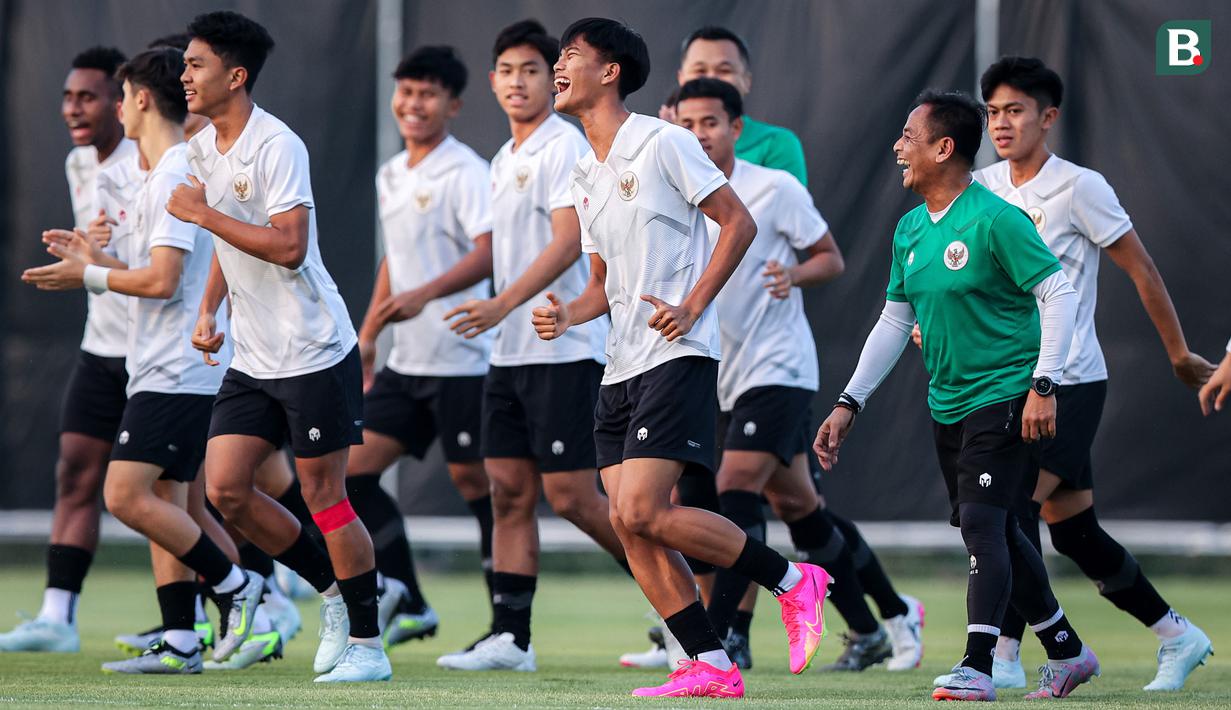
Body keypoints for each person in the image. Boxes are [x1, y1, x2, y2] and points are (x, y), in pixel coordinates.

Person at [535, 17, 831, 698]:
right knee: (627, 521)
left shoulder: (663, 141)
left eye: (569, 56)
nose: (557, 67)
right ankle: (712, 663)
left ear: (610, 71)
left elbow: (739, 222)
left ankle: (793, 579)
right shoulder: (583, 170)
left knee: (640, 508)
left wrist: (693, 304)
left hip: (678, 355)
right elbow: (602, 289)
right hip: (620, 366)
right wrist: (565, 313)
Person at [815, 89, 1099, 701]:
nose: (897, 148)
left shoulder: (996, 219)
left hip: (1005, 396)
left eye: (908, 137)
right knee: (996, 531)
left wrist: (1044, 384)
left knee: (981, 526)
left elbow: (1059, 294)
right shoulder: (911, 229)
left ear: (944, 148)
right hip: (948, 403)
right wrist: (849, 402)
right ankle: (1068, 651)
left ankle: (978, 665)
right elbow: (894, 322)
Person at [966, 55, 1214, 692]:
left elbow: (1142, 270)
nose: (1001, 122)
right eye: (992, 110)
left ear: (1048, 117)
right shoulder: (983, 187)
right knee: (1071, 529)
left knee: (1005, 510)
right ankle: (1177, 635)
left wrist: (1180, 354)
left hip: (1067, 381)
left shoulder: (1081, 187)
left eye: (1015, 110)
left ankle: (1003, 654)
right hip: (1004, 382)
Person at [22, 47, 268, 674]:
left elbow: (161, 282)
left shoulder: (172, 175)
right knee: (165, 499)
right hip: (159, 364)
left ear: (134, 99)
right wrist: (92, 255)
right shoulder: (158, 170)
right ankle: (183, 641)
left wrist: (91, 275)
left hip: (179, 370)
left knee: (125, 496)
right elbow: (155, 271)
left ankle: (241, 591)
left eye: (119, 95)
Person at [673, 76, 925, 673]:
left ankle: (727, 635)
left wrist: (794, 274)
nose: (698, 135)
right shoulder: (675, 192)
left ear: (737, 128)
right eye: (686, 125)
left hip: (778, 367)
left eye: (710, 123)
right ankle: (875, 623)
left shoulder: (774, 187)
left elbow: (830, 257)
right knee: (800, 509)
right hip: (718, 373)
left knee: (734, 489)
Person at [170, 10, 390, 682]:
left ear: (235, 76)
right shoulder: (203, 147)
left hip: (312, 348)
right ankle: (330, 592)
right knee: (227, 489)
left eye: (196, 64)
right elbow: (232, 240)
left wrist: (203, 215)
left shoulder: (277, 144)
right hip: (253, 354)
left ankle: (367, 646)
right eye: (184, 65)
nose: (184, 76)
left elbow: (289, 247)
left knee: (326, 497)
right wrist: (210, 308)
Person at [437, 19, 628, 671]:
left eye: (531, 70)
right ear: (492, 82)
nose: (518, 82)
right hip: (509, 357)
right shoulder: (503, 157)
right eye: (507, 71)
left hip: (565, 352)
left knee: (574, 498)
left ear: (554, 80)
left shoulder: (561, 147)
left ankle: (678, 607)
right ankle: (510, 638)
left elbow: (567, 242)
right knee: (508, 494)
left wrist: (501, 303)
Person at [348, 44, 496, 651]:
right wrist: (368, 332)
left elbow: (489, 252)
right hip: (405, 363)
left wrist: (426, 296)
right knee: (352, 474)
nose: (414, 103)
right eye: (406, 90)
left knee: (479, 486)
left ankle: (507, 628)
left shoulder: (466, 172)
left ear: (453, 104)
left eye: (428, 93)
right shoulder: (391, 173)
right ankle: (406, 595)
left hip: (463, 359)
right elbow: (396, 259)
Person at [0, 46, 136, 654]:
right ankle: (58, 616)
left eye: (88, 96)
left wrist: (101, 258)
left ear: (122, 100)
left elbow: (165, 268)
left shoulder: (153, 163)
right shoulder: (79, 163)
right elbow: (96, 255)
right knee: (75, 473)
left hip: (162, 354)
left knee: (195, 493)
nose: (73, 108)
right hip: (100, 346)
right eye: (67, 96)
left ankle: (255, 595)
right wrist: (87, 252)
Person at [660, 26, 807, 184]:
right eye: (700, 70)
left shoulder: (776, 143)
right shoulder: (661, 139)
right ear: (681, 78)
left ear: (746, 81)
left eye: (724, 70)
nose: (711, 79)